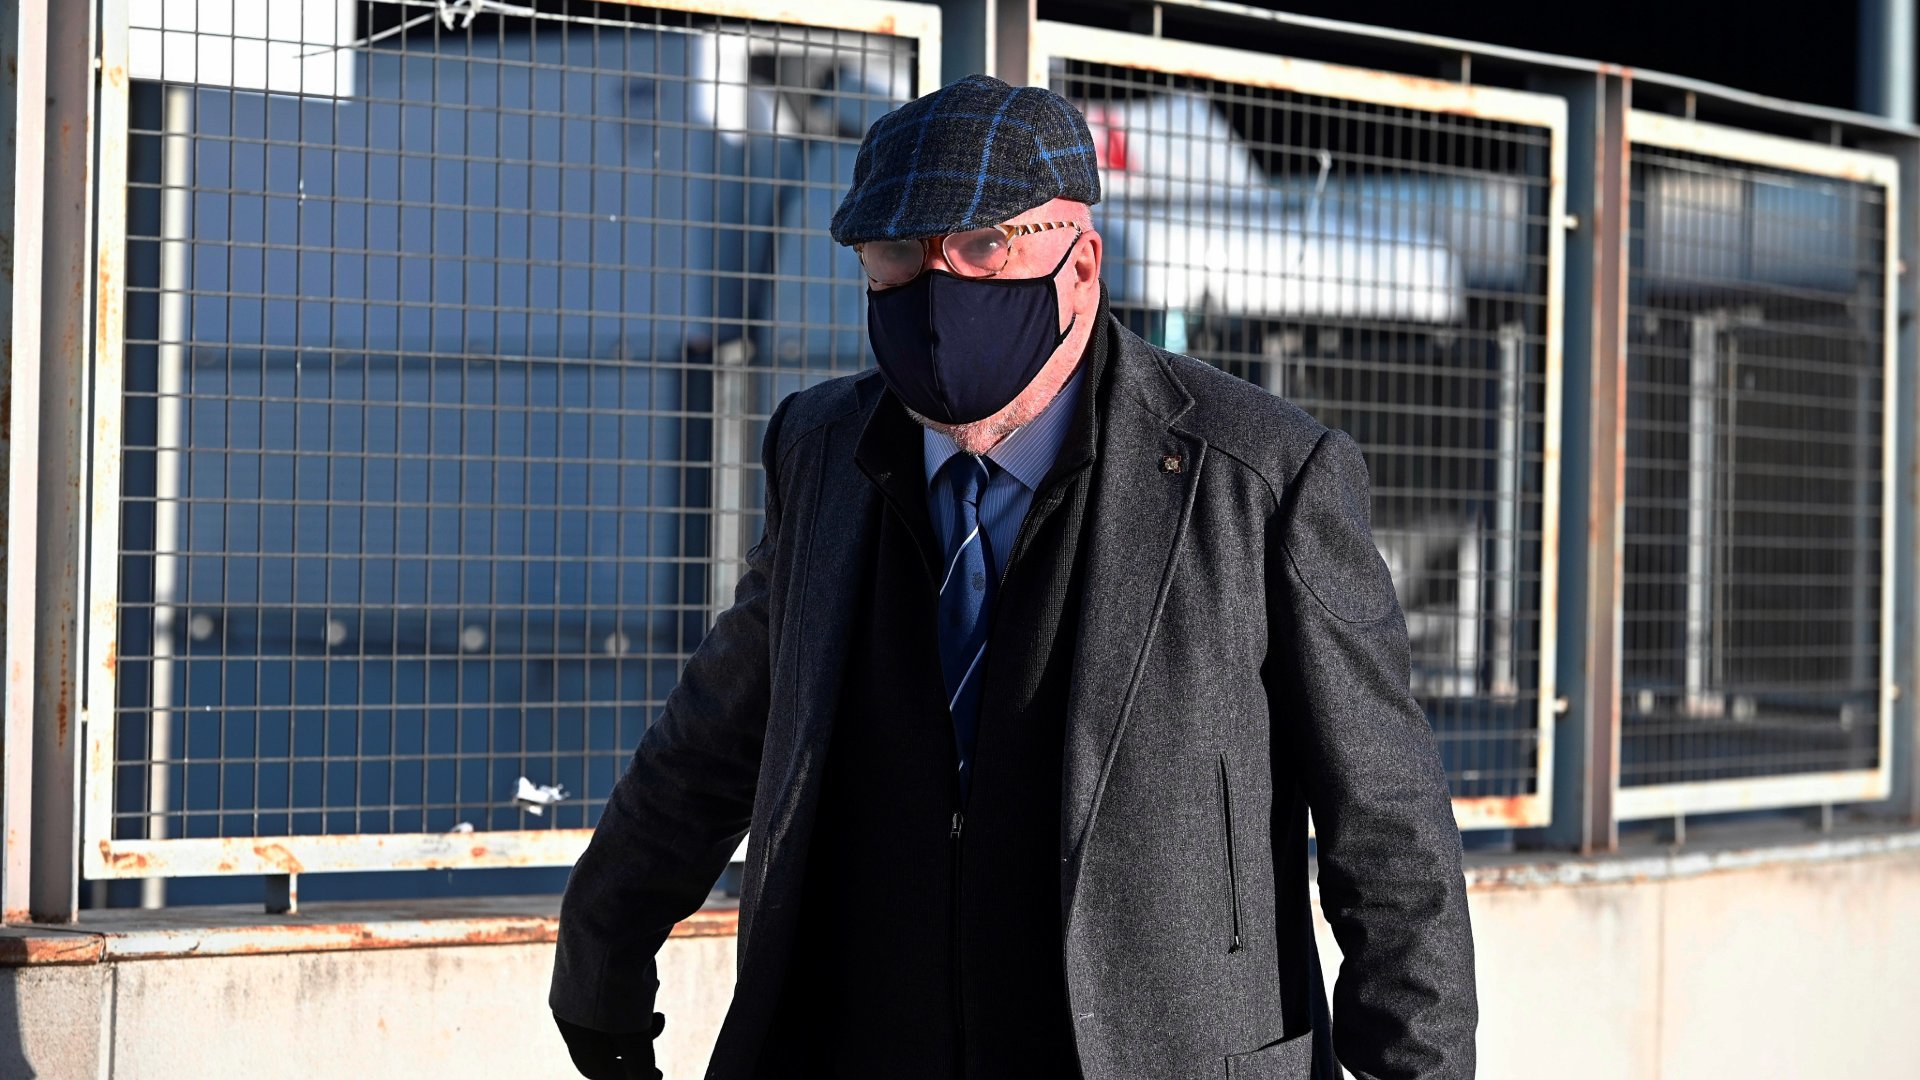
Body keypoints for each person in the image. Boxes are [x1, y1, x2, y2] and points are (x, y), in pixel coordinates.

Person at [548, 74, 1476, 1080]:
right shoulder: (821, 449)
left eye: (986, 246)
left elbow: (1388, 830)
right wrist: (603, 954)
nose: (938, 290)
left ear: (1083, 264)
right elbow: (720, 729)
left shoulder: (1260, 476)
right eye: (898, 255)